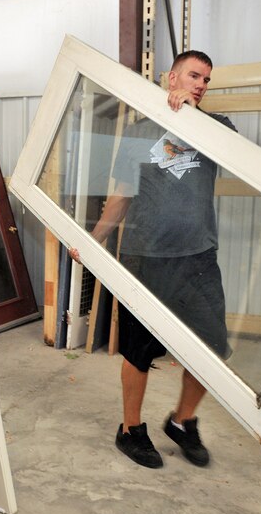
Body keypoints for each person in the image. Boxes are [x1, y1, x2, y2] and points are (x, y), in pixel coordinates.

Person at [69, 50, 236, 469]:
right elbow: (122, 194)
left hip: (198, 258)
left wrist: (191, 119)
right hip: (146, 258)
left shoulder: (218, 128)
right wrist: (93, 241)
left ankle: (182, 422)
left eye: (206, 80)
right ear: (171, 77)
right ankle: (130, 430)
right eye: (194, 75)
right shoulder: (140, 131)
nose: (200, 84)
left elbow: (237, 158)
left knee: (211, 348)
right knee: (139, 352)